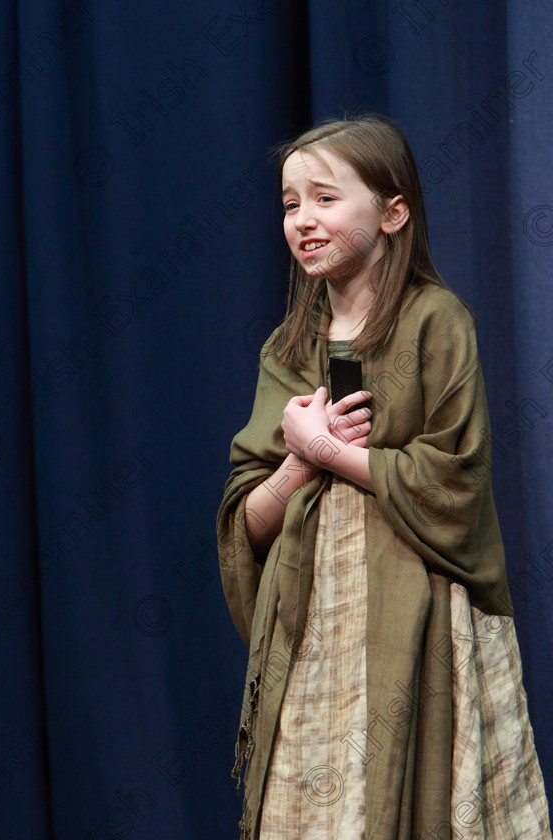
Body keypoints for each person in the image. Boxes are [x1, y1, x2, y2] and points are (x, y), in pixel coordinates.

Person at [216, 115, 551, 840]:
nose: (303, 220)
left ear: (393, 212)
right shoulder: (288, 348)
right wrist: (300, 460)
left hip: (420, 631)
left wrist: (331, 454)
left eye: (325, 199)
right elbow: (247, 523)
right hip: (312, 637)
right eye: (289, 204)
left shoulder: (436, 322)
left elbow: (455, 484)